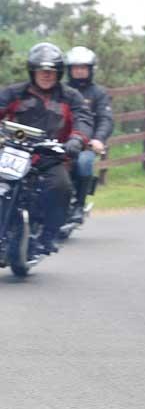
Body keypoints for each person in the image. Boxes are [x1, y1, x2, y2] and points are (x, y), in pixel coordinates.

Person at [0, 42, 92, 254]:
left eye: (51, 71)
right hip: (13, 153)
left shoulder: (70, 96)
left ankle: (48, 234)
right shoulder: (14, 93)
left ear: (59, 73)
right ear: (32, 71)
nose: (46, 75)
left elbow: (83, 120)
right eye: (42, 70)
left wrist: (76, 140)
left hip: (49, 157)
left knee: (61, 187)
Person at [64, 46, 113, 224]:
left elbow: (106, 118)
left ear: (90, 70)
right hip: (60, 140)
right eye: (75, 67)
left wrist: (98, 139)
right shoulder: (60, 90)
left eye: (83, 67)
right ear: (69, 70)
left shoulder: (98, 93)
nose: (79, 71)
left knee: (84, 163)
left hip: (85, 143)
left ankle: (78, 205)